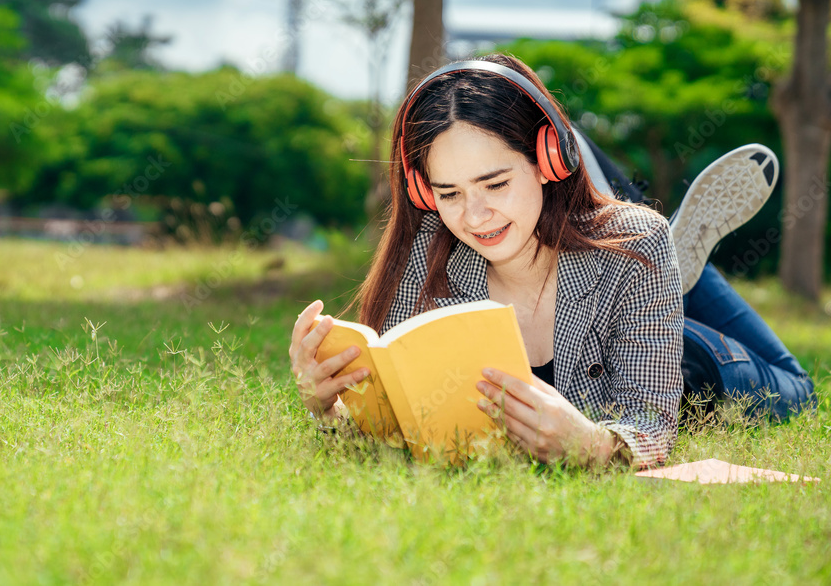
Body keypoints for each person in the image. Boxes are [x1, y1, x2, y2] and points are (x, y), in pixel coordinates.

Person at [288, 54, 816, 469]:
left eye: (495, 183)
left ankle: (668, 279)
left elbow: (652, 423)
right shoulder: (427, 256)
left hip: (683, 335)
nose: (474, 216)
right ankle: (663, 281)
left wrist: (594, 445)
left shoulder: (634, 246)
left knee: (724, 374)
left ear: (549, 161)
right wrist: (327, 406)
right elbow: (396, 432)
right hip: (620, 258)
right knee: (640, 267)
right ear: (425, 192)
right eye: (448, 194)